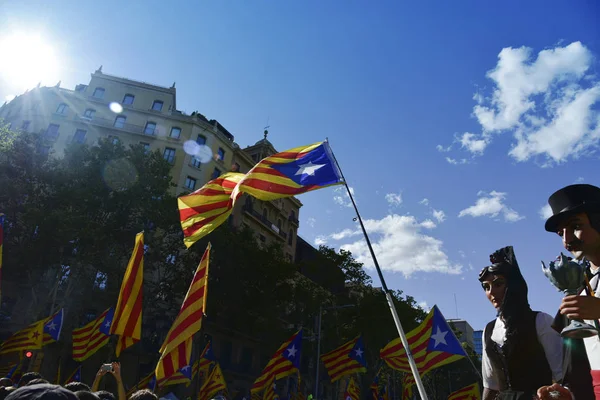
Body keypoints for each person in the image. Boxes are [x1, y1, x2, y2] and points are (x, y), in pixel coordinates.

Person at [538, 184, 600, 400]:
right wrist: (570, 395)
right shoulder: (582, 284)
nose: (566, 240)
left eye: (575, 226)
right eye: (560, 233)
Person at [479, 246, 563, 400]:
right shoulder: (489, 330)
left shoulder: (541, 321)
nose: (491, 292)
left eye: (498, 284)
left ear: (514, 285)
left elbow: (562, 376)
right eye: (486, 287)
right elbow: (490, 385)